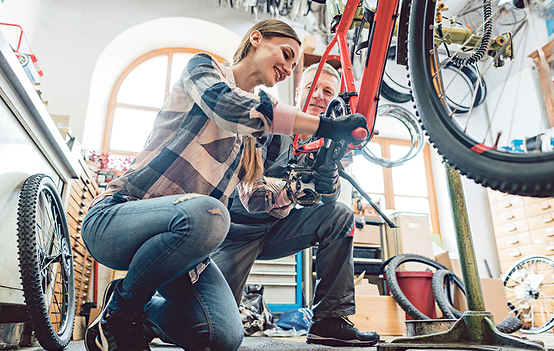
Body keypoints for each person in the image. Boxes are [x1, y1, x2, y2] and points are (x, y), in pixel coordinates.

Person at [81, 20, 367, 351]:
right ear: (256, 39)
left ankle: (148, 312)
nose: (289, 68)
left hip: (193, 239)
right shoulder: (203, 68)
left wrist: (299, 188)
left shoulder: (255, 134)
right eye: (287, 54)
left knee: (223, 338)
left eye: (294, 64)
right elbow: (229, 108)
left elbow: (254, 197)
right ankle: (120, 313)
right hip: (120, 216)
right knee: (211, 213)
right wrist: (326, 126)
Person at [210, 62, 380, 347]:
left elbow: (328, 201)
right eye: (315, 88)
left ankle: (329, 321)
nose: (320, 96)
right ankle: (143, 306)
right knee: (210, 329)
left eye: (329, 92)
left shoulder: (324, 142)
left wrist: (331, 181)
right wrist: (292, 189)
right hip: (235, 231)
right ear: (299, 91)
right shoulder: (268, 124)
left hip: (276, 230)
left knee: (339, 216)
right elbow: (249, 193)